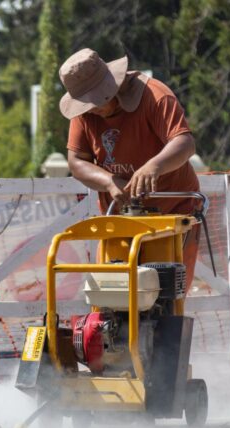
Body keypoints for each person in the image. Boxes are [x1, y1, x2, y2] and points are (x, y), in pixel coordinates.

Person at [59, 48, 201, 289]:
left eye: (94, 103)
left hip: (172, 215)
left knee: (165, 297)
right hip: (120, 220)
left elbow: (184, 143)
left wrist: (154, 166)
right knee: (114, 296)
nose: (90, 110)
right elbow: (76, 162)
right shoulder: (84, 112)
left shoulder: (154, 95)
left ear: (110, 88)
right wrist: (109, 182)